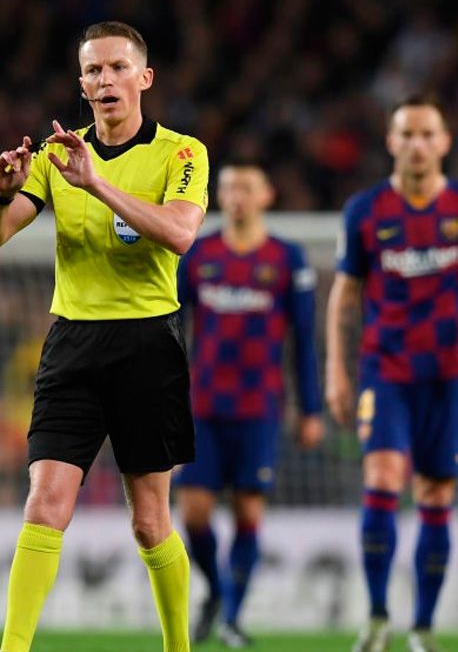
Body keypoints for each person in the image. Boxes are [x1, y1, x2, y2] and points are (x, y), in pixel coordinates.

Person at [0, 21, 209, 652]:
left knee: (151, 522)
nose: (105, 80)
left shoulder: (182, 153)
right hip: (72, 344)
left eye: (117, 68)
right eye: (94, 71)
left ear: (143, 78)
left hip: (148, 345)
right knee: (45, 502)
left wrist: (96, 184)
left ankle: (178, 648)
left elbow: (181, 234)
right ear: (82, 83)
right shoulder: (55, 155)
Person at [325, 93, 458, 652]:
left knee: (435, 492)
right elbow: (344, 295)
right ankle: (377, 617)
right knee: (380, 479)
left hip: (448, 373)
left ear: (445, 141)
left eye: (427, 134)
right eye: (406, 134)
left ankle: (421, 627)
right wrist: (335, 367)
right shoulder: (365, 210)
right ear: (390, 141)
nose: (416, 144)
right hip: (386, 368)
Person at [174, 161, 324, 647]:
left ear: (267, 195)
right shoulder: (199, 254)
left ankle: (233, 618)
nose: (236, 195)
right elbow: (173, 328)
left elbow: (304, 339)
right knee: (194, 512)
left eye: (246, 187)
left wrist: (312, 408)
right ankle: (217, 592)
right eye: (229, 187)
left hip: (260, 405)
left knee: (247, 512)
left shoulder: (287, 258)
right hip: (203, 404)